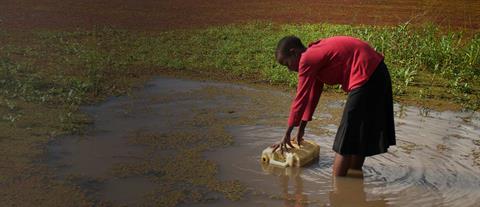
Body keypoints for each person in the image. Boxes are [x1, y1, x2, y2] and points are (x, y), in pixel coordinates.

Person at [272, 36, 396, 176]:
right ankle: (352, 182)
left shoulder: (307, 59)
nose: (289, 69)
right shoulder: (315, 58)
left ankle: (336, 189)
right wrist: (301, 128)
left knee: (344, 140)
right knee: (359, 135)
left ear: (294, 52)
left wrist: (286, 134)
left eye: (287, 64)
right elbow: (312, 96)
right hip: (376, 72)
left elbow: (300, 99)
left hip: (367, 74)